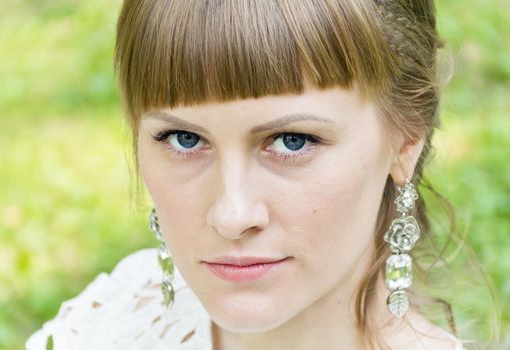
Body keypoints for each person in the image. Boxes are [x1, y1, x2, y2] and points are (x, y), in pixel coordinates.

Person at [26, 0, 469, 349]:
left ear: (406, 139)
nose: (231, 215)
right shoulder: (110, 325)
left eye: (291, 141)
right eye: (183, 139)